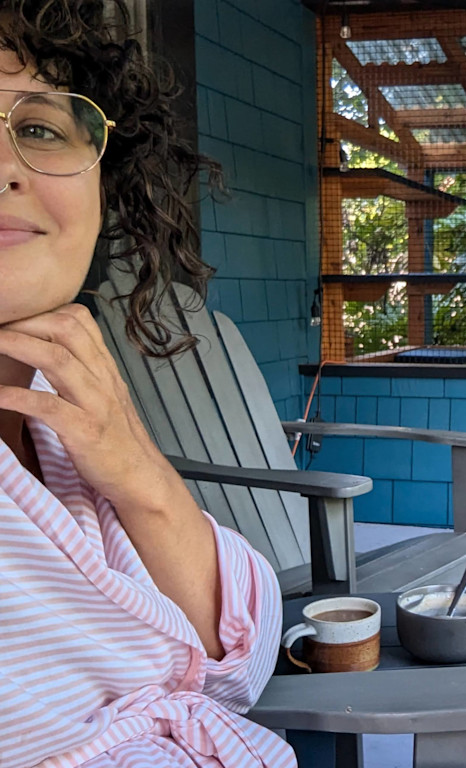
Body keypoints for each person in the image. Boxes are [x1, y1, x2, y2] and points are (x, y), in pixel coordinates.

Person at [0, 1, 296, 766]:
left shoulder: (69, 428)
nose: (6, 165)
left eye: (38, 128)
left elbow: (243, 666)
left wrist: (141, 476)